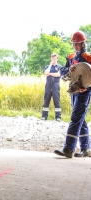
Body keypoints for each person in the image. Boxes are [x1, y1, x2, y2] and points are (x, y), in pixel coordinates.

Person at [54, 30, 91, 158]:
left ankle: (68, 149)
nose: (76, 46)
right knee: (80, 119)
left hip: (84, 92)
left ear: (83, 43)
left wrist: (87, 86)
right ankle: (86, 148)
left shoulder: (88, 57)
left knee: (75, 118)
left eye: (78, 44)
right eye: (74, 44)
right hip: (73, 91)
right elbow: (63, 72)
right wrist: (68, 69)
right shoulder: (70, 58)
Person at [41, 53, 62, 121]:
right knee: (46, 100)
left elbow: (58, 74)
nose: (54, 60)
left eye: (55, 59)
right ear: (51, 59)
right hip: (48, 85)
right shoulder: (48, 66)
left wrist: (50, 74)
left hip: (55, 85)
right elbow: (46, 72)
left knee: (57, 101)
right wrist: (50, 65)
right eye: (52, 59)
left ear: (57, 59)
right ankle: (44, 116)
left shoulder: (59, 67)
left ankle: (58, 117)